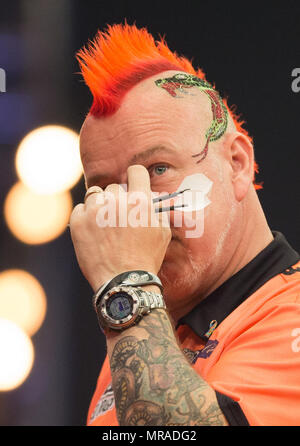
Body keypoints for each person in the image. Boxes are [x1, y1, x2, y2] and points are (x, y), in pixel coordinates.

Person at [70, 23, 300, 426]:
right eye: (105, 188)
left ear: (238, 165)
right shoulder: (147, 330)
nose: (131, 208)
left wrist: (128, 286)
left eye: (157, 169)